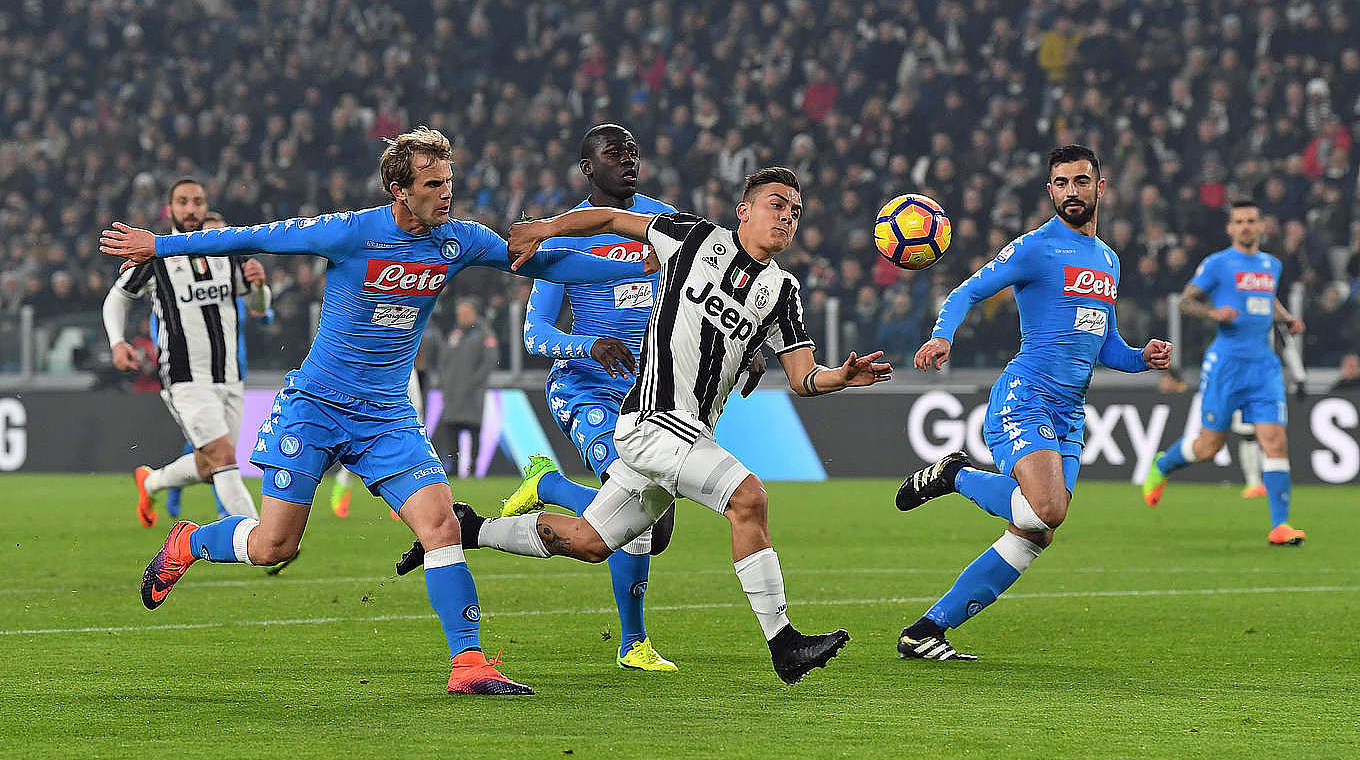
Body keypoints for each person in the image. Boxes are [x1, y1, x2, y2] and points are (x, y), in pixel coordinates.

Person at [100, 126, 653, 695]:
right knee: (273, 546)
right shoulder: (349, 232)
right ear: (398, 188)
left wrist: (648, 270)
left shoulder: (459, 239)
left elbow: (551, 268)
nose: (447, 194)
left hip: (387, 415)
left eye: (450, 182)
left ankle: (469, 667)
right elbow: (252, 236)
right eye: (433, 184)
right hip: (315, 407)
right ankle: (189, 542)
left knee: (441, 527)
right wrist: (159, 246)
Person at [447, 166, 892, 686]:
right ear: (743, 210)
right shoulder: (695, 237)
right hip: (652, 422)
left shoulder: (783, 291)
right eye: (776, 204)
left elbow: (802, 377)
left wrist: (840, 377)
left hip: (690, 432)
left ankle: (470, 528)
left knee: (592, 541)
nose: (787, 217)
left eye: (795, 211)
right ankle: (784, 642)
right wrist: (545, 227)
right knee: (749, 499)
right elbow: (613, 217)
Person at [394, 124, 767, 673]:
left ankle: (544, 485)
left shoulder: (661, 222)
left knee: (655, 531)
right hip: (586, 389)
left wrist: (749, 342)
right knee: (636, 524)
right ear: (587, 168)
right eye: (614, 154)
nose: (629, 160)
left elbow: (716, 289)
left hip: (655, 396)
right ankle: (632, 642)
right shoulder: (563, 240)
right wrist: (590, 344)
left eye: (634, 152)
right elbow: (535, 334)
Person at [895, 145, 1173, 661]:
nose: (1072, 191)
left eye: (1081, 182)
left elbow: (1103, 343)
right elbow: (965, 292)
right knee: (1046, 507)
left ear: (1100, 188)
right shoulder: (1034, 248)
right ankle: (953, 476)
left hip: (1069, 414)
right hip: (1024, 398)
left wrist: (1142, 357)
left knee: (1037, 530)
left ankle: (925, 632)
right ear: (1050, 190)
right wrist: (942, 336)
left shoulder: (1109, 260)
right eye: (1062, 183)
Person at [102, 179, 271, 528]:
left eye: (197, 201)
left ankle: (149, 483)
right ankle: (261, 538)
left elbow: (256, 306)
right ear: (171, 209)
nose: (191, 209)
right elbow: (117, 297)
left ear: (205, 205)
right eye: (183, 202)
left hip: (229, 375)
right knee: (223, 458)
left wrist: (259, 287)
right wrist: (118, 341)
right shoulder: (155, 254)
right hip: (184, 376)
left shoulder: (228, 252)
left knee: (211, 465)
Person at [1142, 199, 1307, 546]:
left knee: (1275, 441)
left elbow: (1267, 298)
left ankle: (1280, 525)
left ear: (1261, 226)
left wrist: (1287, 318)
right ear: (1230, 228)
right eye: (1239, 221)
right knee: (1208, 447)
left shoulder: (1271, 265)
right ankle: (1164, 465)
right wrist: (1213, 314)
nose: (1246, 226)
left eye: (1251, 220)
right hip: (1226, 366)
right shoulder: (1218, 264)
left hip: (1264, 367)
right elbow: (1186, 300)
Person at [163, 211, 276, 523]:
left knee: (210, 455)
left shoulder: (232, 281)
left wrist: (259, 287)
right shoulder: (182, 288)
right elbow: (165, 323)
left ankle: (158, 484)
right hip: (194, 376)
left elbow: (264, 314)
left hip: (232, 372)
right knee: (221, 452)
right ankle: (233, 515)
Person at [434, 297, 497, 478]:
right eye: (459, 313)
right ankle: (453, 468)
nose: (460, 316)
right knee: (451, 431)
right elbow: (443, 360)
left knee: (473, 430)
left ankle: (474, 470)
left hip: (472, 393)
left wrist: (474, 382)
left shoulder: (484, 333)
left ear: (473, 314)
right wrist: (445, 383)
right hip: (452, 393)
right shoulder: (454, 334)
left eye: (464, 313)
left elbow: (490, 360)